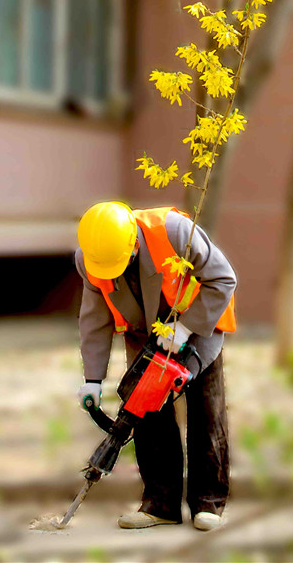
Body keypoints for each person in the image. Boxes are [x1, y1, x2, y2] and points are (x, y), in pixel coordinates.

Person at [75, 201, 237, 531]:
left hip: (198, 328)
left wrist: (187, 327)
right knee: (147, 414)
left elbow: (223, 279)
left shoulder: (174, 232)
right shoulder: (91, 258)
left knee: (206, 412)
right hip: (144, 336)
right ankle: (160, 504)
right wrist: (92, 379)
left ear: (133, 243)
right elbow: (95, 319)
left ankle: (209, 503)